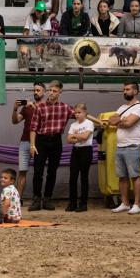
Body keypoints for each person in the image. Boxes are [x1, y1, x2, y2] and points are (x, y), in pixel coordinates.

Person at [29, 80, 100, 211]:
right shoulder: (40, 107)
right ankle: (36, 198)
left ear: (60, 92)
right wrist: (32, 145)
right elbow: (33, 128)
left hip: (56, 141)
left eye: (54, 91)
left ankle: (47, 199)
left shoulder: (65, 108)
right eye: (50, 90)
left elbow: (83, 114)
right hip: (41, 140)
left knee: (52, 171)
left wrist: (99, 122)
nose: (51, 93)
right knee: (38, 171)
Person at [107, 82, 140, 215]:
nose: (124, 91)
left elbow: (129, 123)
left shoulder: (139, 107)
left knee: (135, 176)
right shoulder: (122, 107)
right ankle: (124, 203)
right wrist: (119, 121)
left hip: (133, 146)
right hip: (120, 146)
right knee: (122, 177)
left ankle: (137, 204)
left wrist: (119, 121)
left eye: (127, 89)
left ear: (135, 91)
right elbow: (111, 120)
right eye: (123, 89)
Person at [11, 82, 45, 198]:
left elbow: (46, 121)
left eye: (38, 90)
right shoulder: (27, 107)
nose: (36, 92)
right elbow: (15, 121)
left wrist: (35, 108)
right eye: (34, 90)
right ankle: (18, 199)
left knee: (38, 172)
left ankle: (37, 198)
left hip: (40, 142)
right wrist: (15, 109)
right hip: (25, 141)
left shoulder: (46, 107)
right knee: (22, 171)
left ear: (44, 92)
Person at [66, 103, 93, 212]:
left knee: (84, 177)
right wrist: (79, 137)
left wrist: (75, 136)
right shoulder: (73, 125)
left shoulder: (89, 123)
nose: (77, 115)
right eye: (75, 113)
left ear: (85, 113)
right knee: (72, 178)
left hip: (86, 151)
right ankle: (72, 203)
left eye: (79, 112)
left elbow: (85, 137)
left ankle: (83, 203)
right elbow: (68, 139)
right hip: (75, 151)